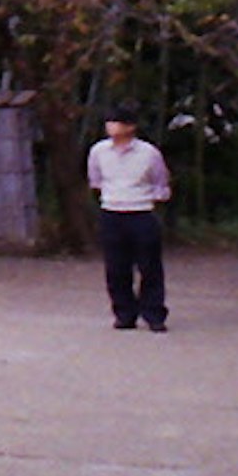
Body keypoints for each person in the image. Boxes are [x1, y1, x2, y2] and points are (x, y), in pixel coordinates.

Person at [89, 104, 172, 332]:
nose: (111, 126)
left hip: (141, 212)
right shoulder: (98, 151)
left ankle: (154, 313)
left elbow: (160, 182)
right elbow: (95, 180)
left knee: (149, 266)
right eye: (109, 122)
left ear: (130, 126)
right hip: (112, 212)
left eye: (116, 122)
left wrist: (149, 200)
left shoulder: (148, 153)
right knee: (116, 267)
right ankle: (124, 313)